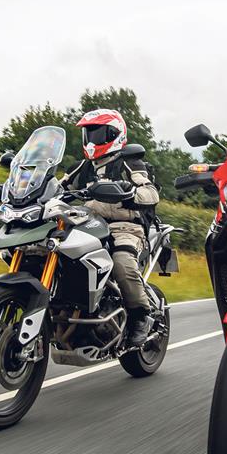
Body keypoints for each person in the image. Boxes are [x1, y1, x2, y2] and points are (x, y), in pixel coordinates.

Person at [61, 108, 159, 346]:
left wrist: (129, 194)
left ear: (115, 134)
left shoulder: (129, 163)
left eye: (98, 133)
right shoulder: (82, 166)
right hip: (89, 226)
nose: (92, 140)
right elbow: (58, 186)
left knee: (122, 265)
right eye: (89, 134)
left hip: (124, 227)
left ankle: (141, 316)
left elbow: (150, 193)